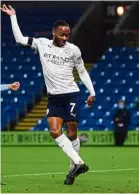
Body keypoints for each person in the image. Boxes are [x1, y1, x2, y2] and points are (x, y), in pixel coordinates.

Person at [1, 4, 96, 185]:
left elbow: (82, 72)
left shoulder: (73, 50)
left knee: (72, 131)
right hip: (54, 97)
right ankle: (78, 162)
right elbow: (20, 39)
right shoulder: (42, 44)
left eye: (67, 35)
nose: (65, 38)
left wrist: (92, 92)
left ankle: (72, 170)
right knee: (54, 131)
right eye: (62, 34)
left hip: (71, 94)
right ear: (54, 32)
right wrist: (13, 16)